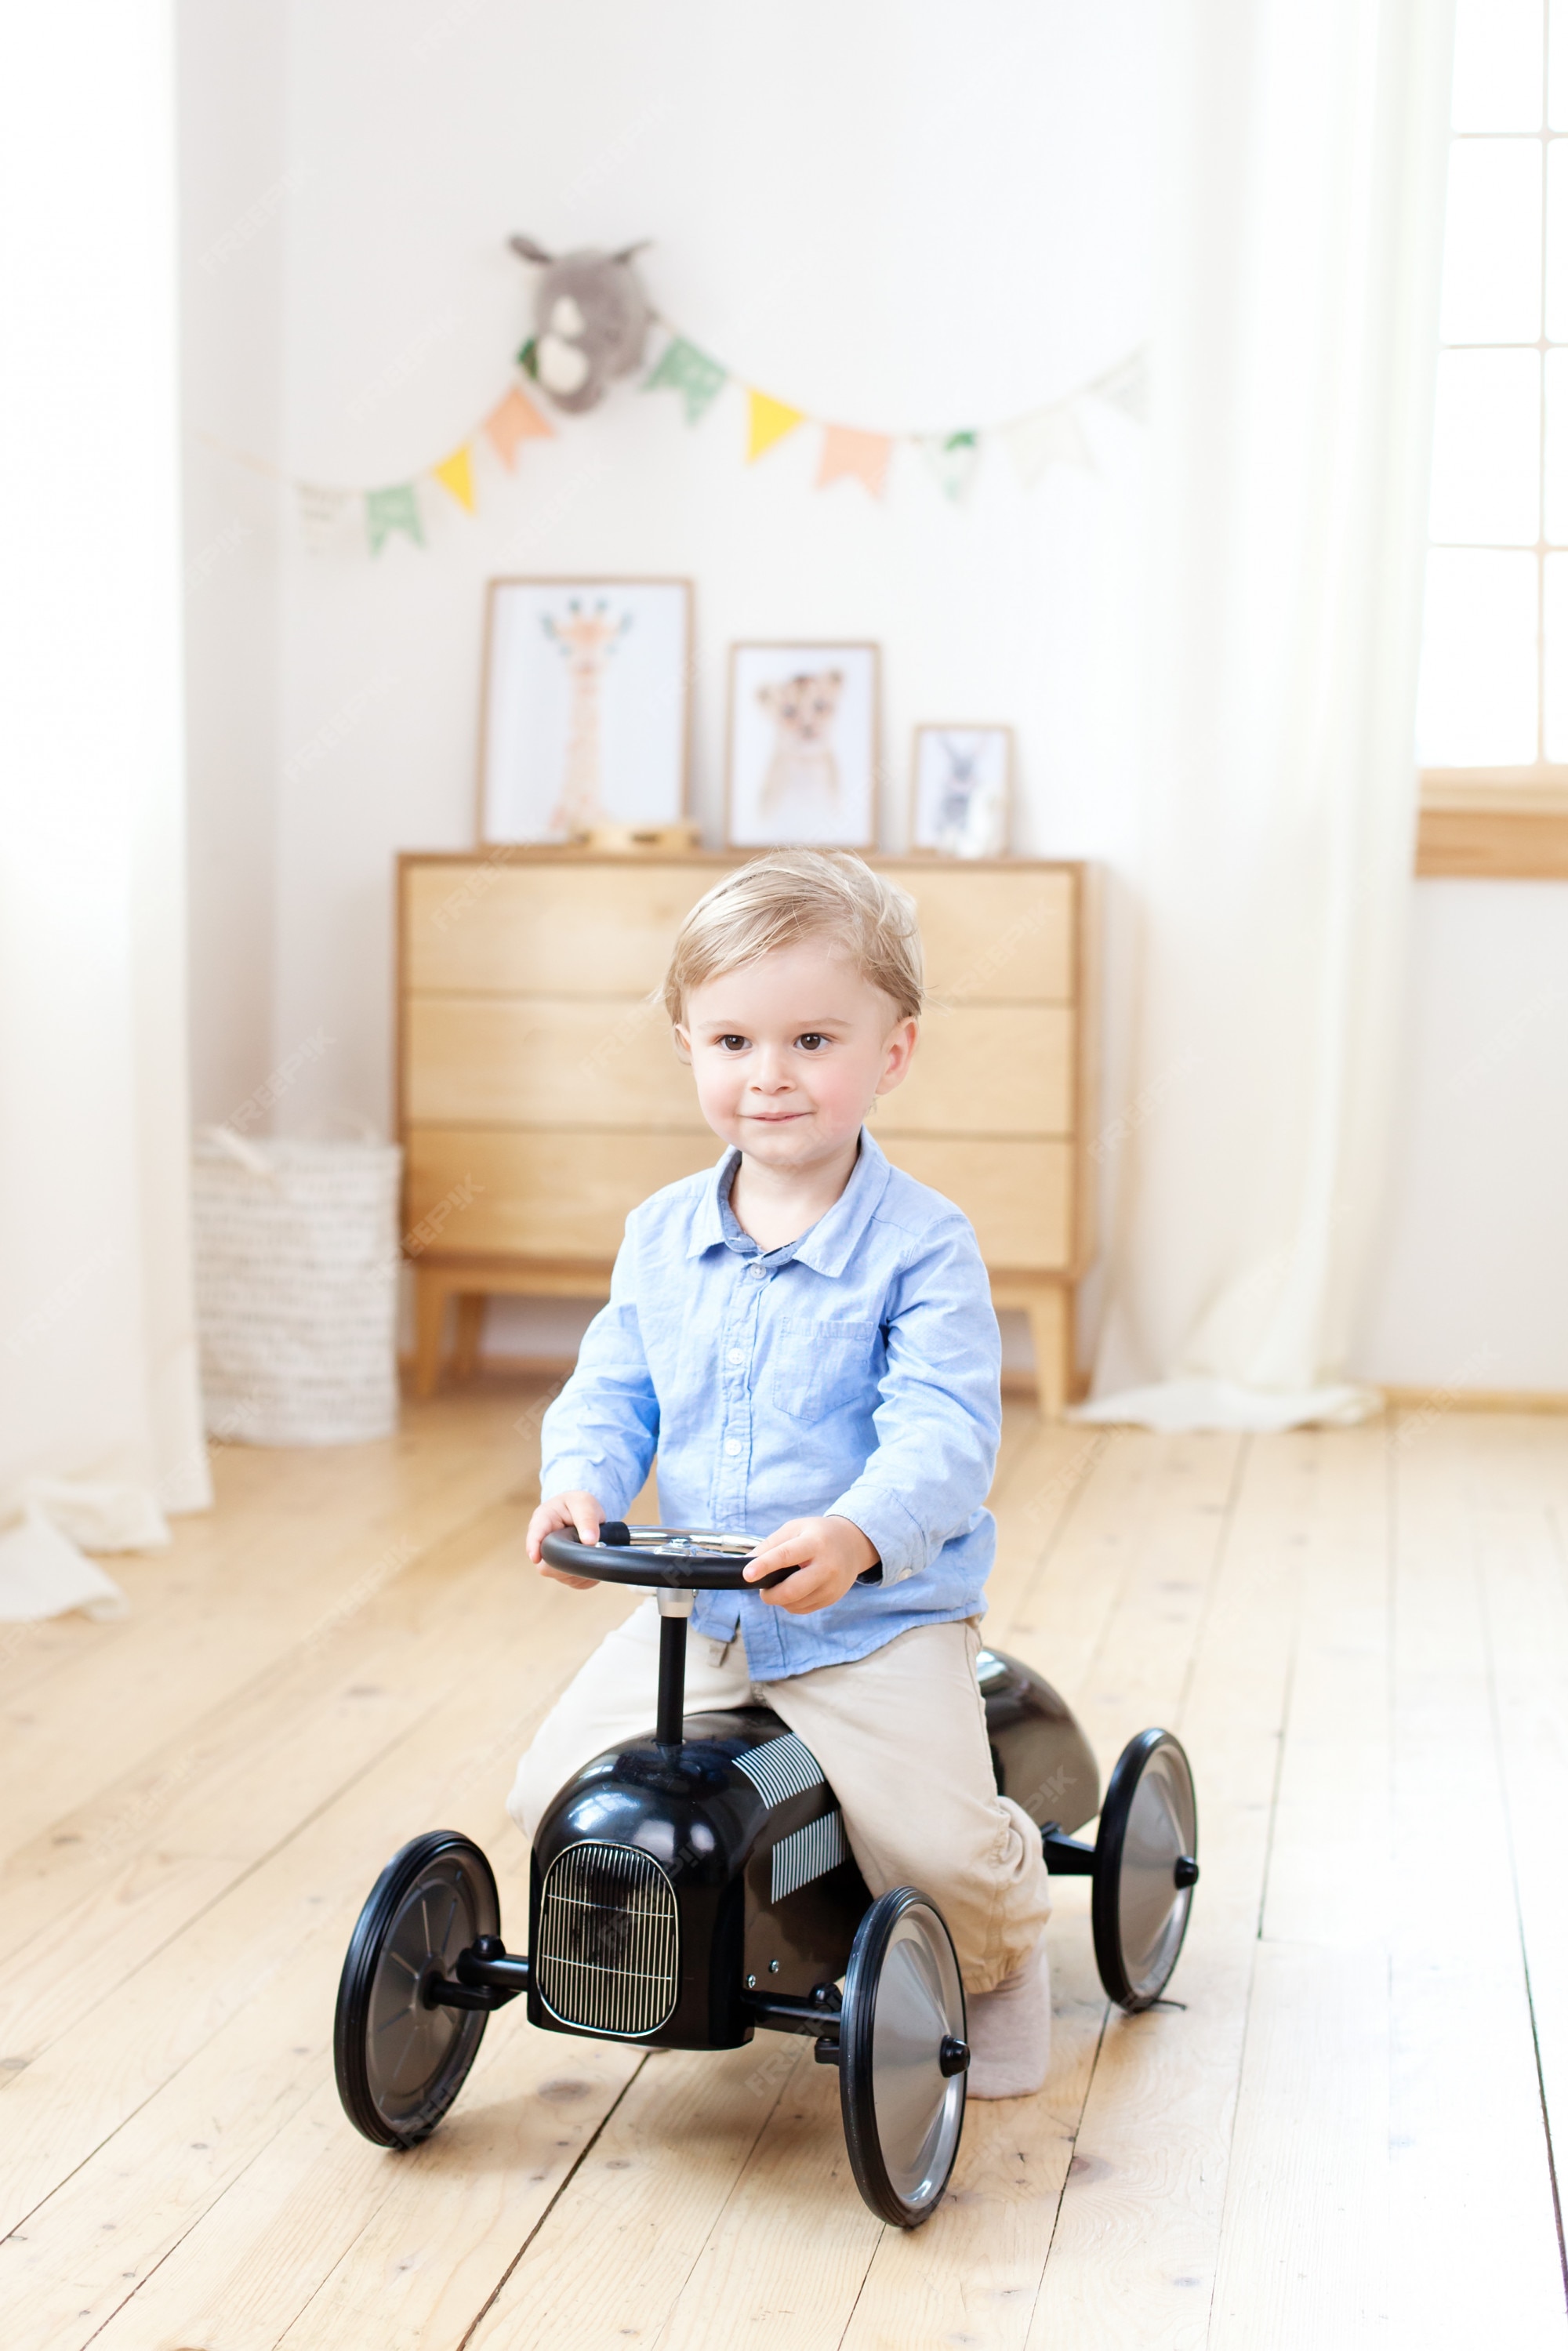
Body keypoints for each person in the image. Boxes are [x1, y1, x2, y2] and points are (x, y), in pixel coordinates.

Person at [507, 849, 1053, 2097]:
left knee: (939, 1844)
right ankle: (665, 1952)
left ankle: (1005, 1946)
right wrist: (581, 1481)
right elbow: (613, 1387)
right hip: (701, 1610)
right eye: (734, 1041)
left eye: (813, 1040)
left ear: (892, 1053)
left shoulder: (924, 1246)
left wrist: (860, 1534)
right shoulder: (660, 1236)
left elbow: (944, 1436)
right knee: (550, 1792)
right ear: (688, 1045)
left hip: (870, 1618)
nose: (770, 1078)